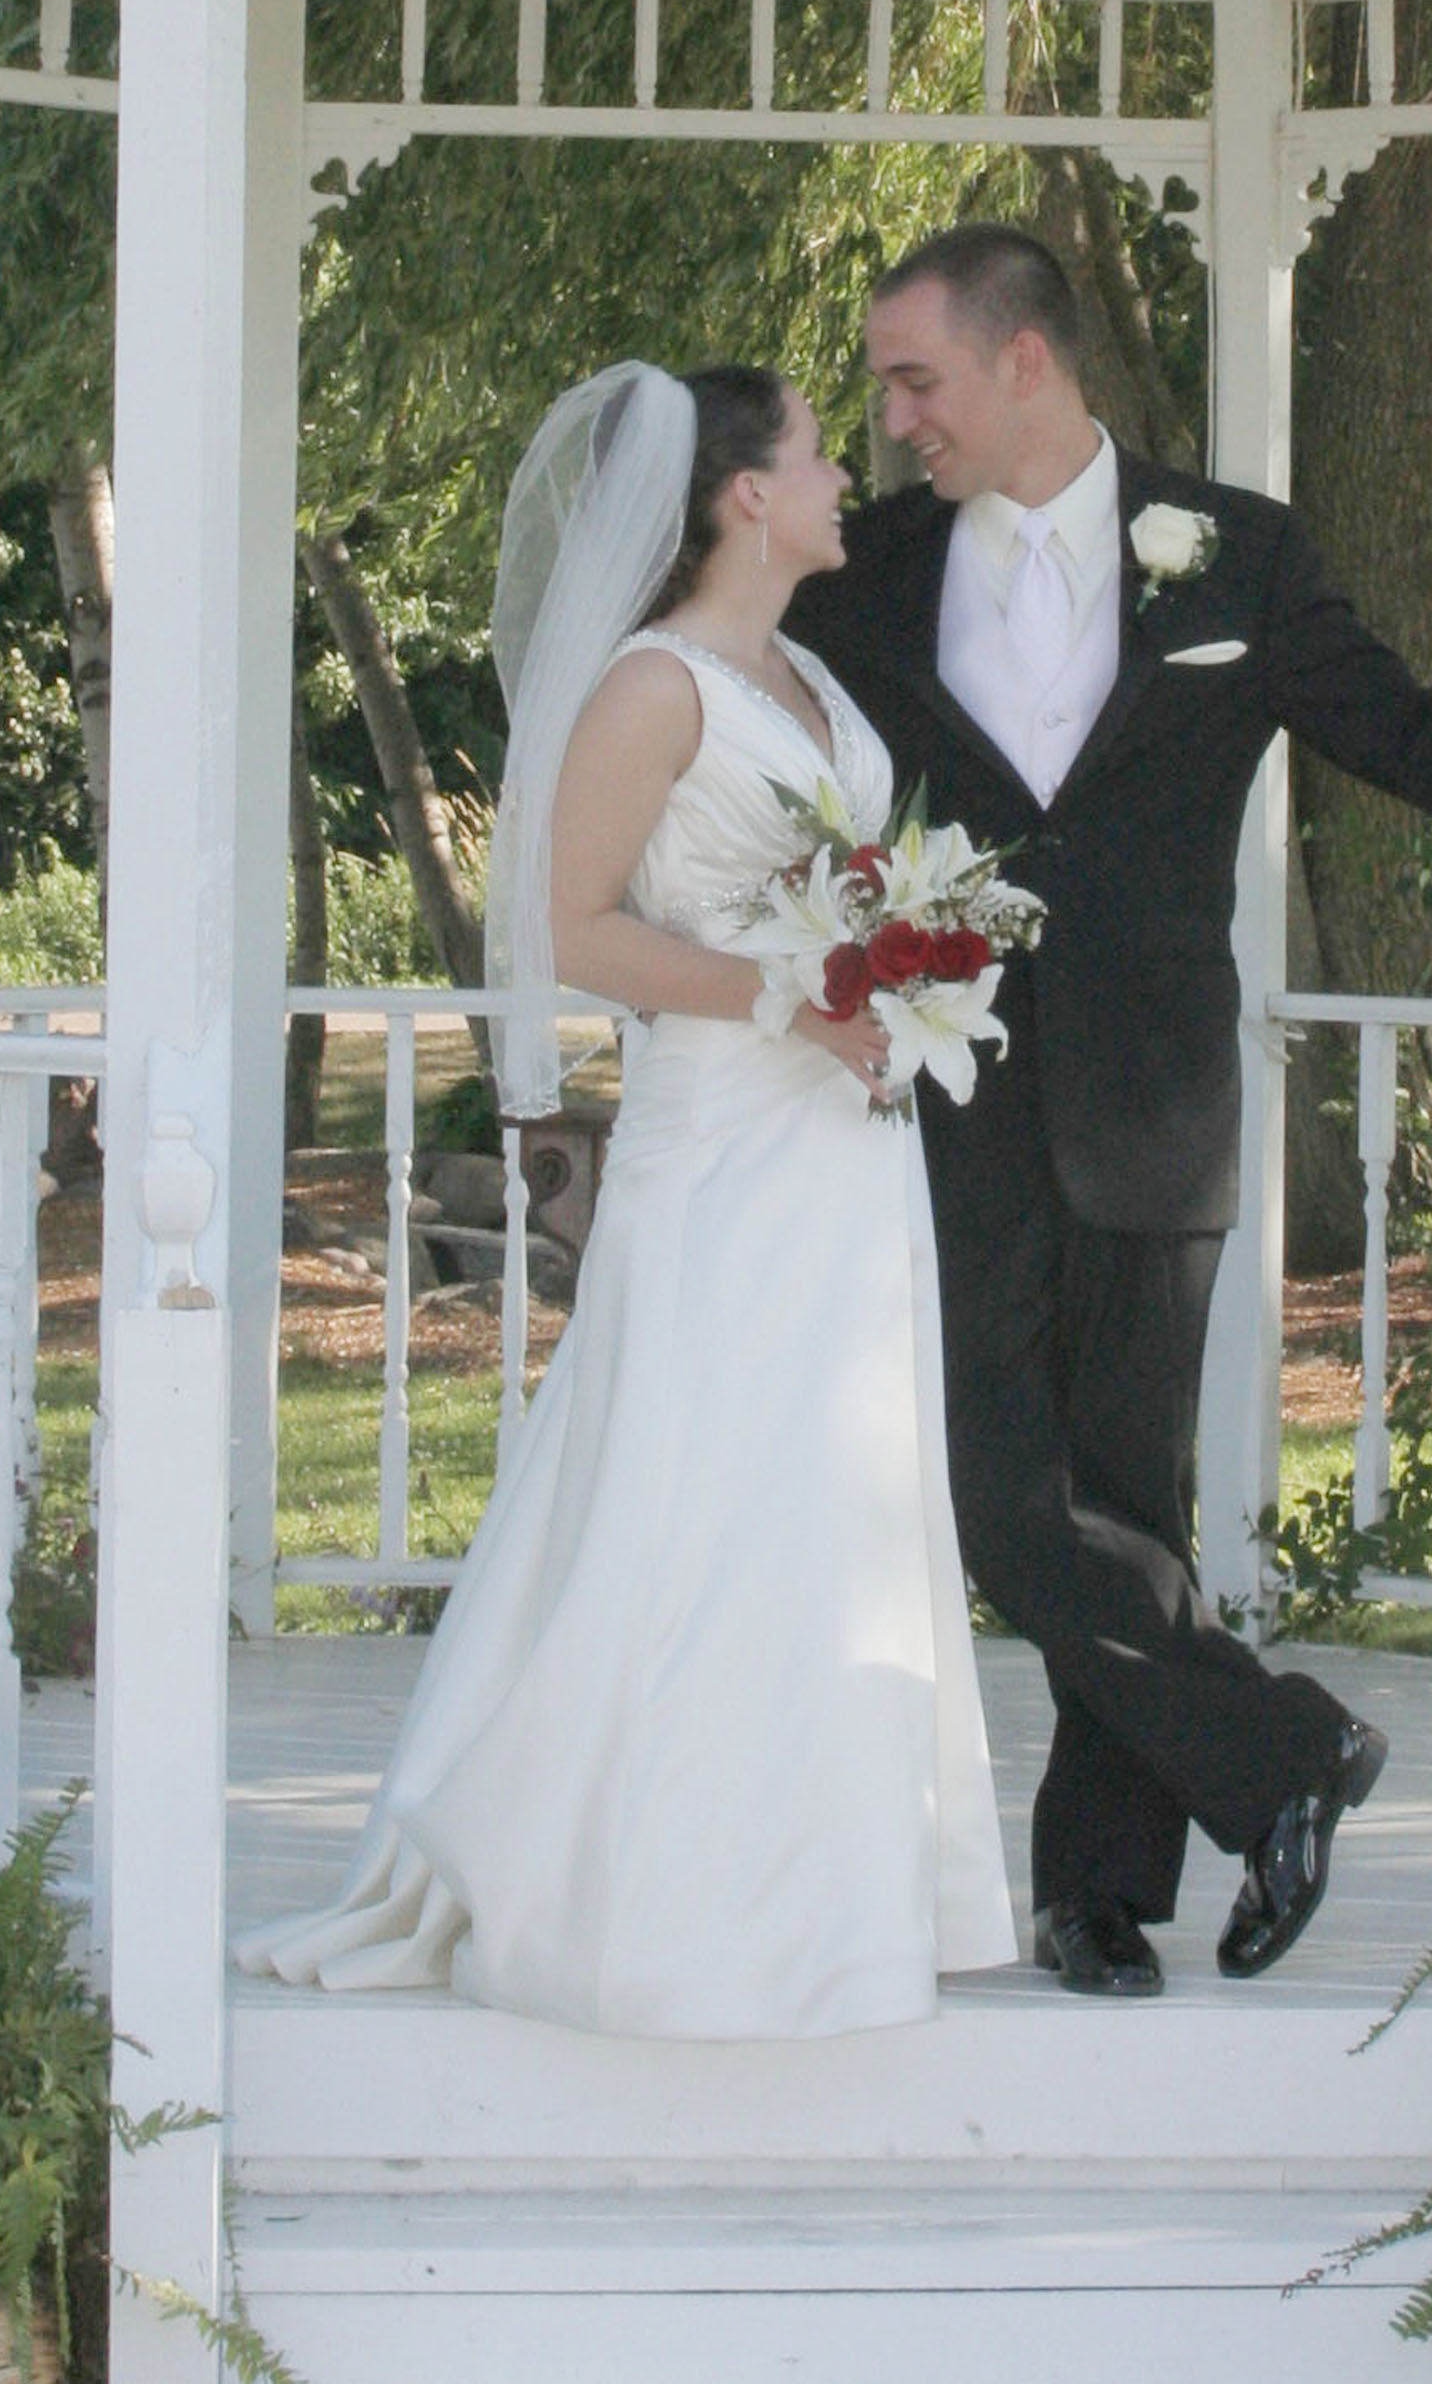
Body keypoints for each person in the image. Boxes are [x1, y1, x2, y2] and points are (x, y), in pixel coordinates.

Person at [790, 223, 1432, 1998]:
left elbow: (1429, 758)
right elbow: (736, 685)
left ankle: (1097, 1897)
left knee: (1124, 1499)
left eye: (917, 379)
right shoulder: (872, 570)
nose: (895, 417)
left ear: (1027, 362)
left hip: (1158, 1098)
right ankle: (1287, 1756)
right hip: (949, 1089)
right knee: (1002, 1499)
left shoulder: (1241, 557)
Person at [237, 360, 1016, 2037]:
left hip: (842, 1149)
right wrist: (791, 993)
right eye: (814, 454)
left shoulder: (804, 671)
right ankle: (658, 1898)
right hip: (726, 1137)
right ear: (744, 493)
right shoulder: (653, 688)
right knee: (702, 1491)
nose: (842, 475)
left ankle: (835, 1893)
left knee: (839, 1499)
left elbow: (840, 886)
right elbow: (575, 926)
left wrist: (898, 968)